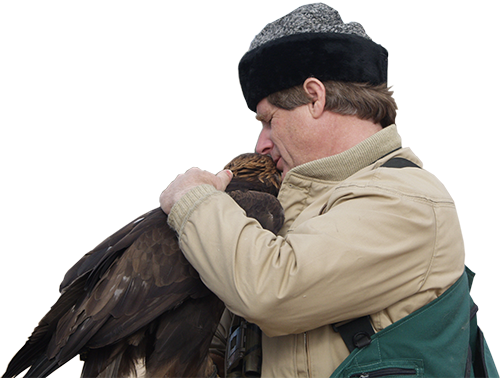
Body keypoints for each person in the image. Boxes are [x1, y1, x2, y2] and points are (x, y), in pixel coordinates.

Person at [160, 3, 477, 377]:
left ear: (315, 97)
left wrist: (194, 200)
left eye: (269, 120)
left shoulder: (407, 201)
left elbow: (272, 290)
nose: (262, 143)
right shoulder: (307, 207)